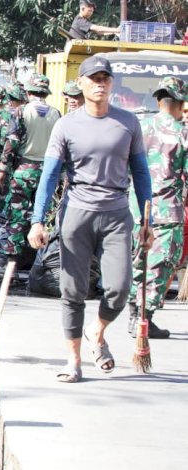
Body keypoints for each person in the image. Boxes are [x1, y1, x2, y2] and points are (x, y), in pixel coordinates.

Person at [28, 55, 154, 383]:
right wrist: (37, 220)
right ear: (81, 84)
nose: (100, 83)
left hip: (116, 215)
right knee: (72, 291)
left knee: (119, 288)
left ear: (111, 83)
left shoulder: (128, 123)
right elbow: (50, 175)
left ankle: (96, 332)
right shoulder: (66, 125)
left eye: (105, 78)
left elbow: (140, 172)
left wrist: (147, 219)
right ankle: (73, 359)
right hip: (77, 215)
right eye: (93, 78)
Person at [127, 77, 187, 340]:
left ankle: (133, 313)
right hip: (167, 210)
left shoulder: (139, 126)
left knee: (137, 261)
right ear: (180, 103)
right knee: (161, 265)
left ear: (158, 100)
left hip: (135, 209)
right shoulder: (183, 133)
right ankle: (145, 317)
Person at [0, 75, 61, 264]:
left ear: (28, 91)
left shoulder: (21, 111)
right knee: (43, 217)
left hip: (24, 171)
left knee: (17, 216)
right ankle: (40, 261)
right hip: (48, 173)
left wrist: (2, 169)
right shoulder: (56, 114)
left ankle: (12, 262)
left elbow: (12, 142)